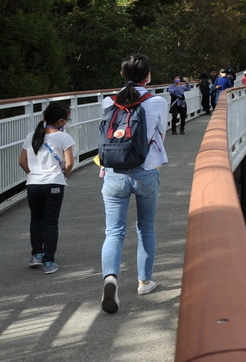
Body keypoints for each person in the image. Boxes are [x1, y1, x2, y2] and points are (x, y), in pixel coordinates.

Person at [100, 53, 168, 314]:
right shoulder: (157, 102)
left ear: (122, 75)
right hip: (145, 172)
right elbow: (161, 133)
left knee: (114, 232)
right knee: (146, 228)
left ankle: (110, 278)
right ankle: (144, 282)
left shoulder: (108, 101)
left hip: (113, 173)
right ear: (148, 77)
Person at [19, 102, 75, 275]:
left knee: (36, 218)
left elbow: (22, 162)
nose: (67, 122)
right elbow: (70, 163)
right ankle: (49, 262)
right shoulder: (64, 138)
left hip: (33, 183)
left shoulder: (31, 136)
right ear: (59, 121)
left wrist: (34, 173)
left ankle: (36, 254)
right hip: (54, 183)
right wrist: (64, 174)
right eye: (67, 119)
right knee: (51, 222)